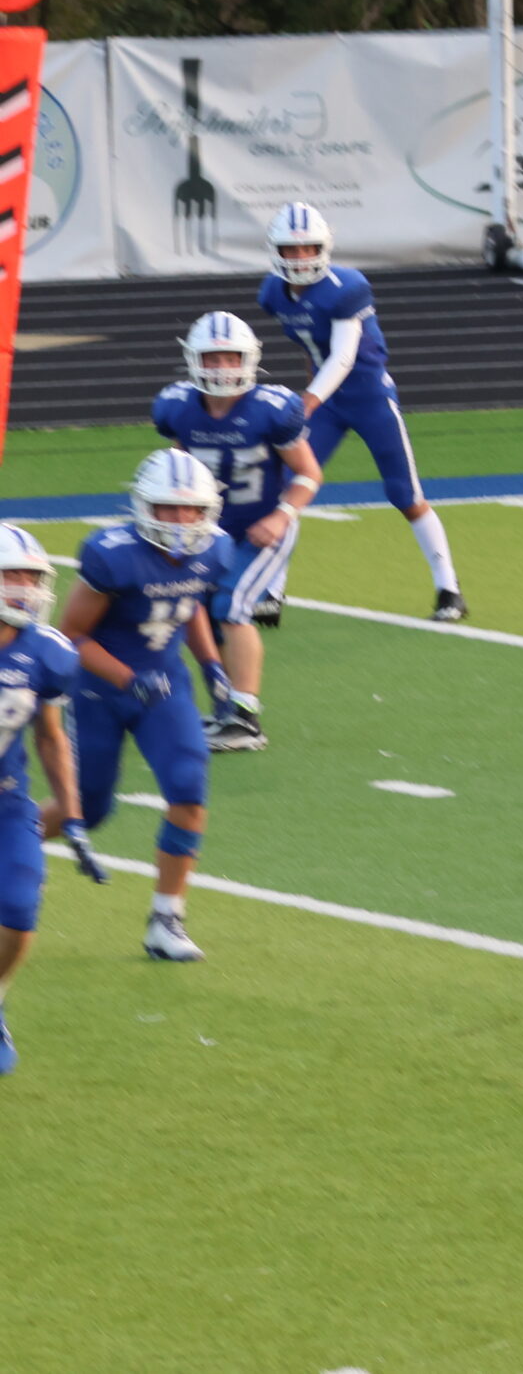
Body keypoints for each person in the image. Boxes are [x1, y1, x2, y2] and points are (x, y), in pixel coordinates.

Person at [56, 450, 234, 962]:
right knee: (87, 808)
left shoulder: (216, 549)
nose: (180, 520)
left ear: (207, 510)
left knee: (189, 787)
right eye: (167, 508)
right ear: (142, 507)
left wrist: (210, 664)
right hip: (100, 689)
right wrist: (128, 679)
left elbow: (188, 601)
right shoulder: (112, 555)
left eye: (190, 509)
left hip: (165, 684)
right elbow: (71, 636)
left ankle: (166, 918)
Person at [255, 202, 467, 621]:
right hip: (327, 402)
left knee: (405, 494)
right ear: (275, 251)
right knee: (289, 489)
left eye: (308, 248)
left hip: (369, 397)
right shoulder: (273, 293)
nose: (300, 257)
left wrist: (307, 401)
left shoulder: (347, 286)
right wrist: (313, 396)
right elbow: (310, 349)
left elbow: (342, 357)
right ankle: (271, 591)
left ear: (324, 247)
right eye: (291, 249)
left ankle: (449, 589)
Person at [152, 311, 323, 753]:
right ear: (194, 360)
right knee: (202, 616)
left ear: (249, 360)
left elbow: (308, 473)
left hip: (261, 528)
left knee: (232, 607)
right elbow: (181, 464)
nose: (222, 368)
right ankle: (228, 707)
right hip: (207, 533)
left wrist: (282, 515)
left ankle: (246, 718)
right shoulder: (178, 407)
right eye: (213, 358)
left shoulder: (271, 410)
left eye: (231, 358)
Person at [0, 524, 108, 1073]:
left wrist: (73, 814)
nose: (26, 588)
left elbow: (49, 736)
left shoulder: (47, 652)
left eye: (32, 577)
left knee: (19, 913)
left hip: (7, 802)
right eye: (13, 576)